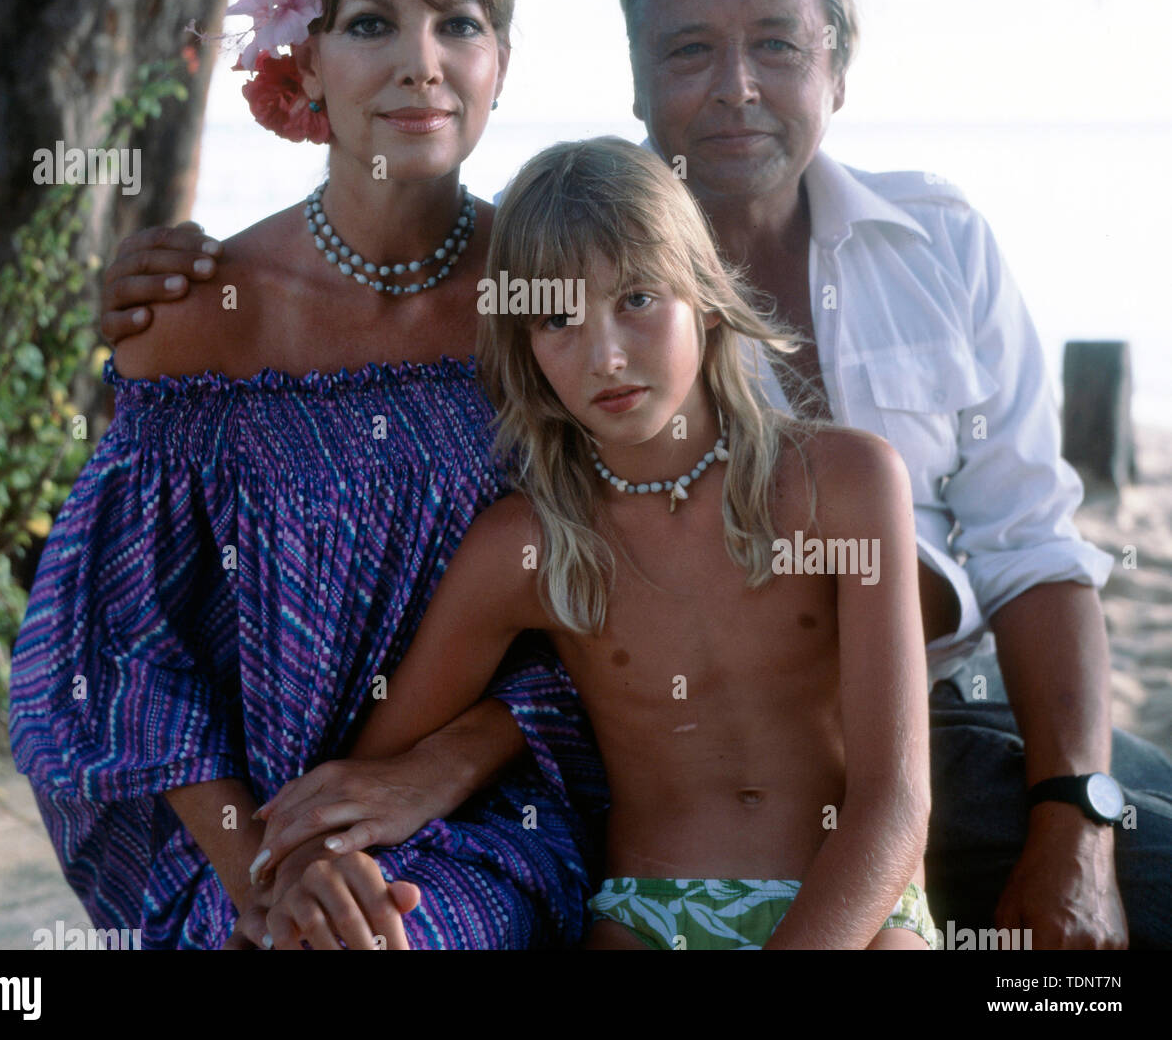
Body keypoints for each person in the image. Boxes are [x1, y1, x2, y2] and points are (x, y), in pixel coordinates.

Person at [105, 0, 1172, 950]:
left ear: (837, 66)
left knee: (1142, 888)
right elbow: (361, 317)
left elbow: (1032, 549)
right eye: (690, 49)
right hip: (654, 806)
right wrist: (188, 278)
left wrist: (1073, 815)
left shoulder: (930, 264)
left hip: (958, 722)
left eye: (777, 44)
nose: (737, 88)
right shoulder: (523, 289)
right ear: (636, 82)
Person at [9, 0, 607, 950]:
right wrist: (270, 877)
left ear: (498, 68)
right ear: (306, 64)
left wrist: (437, 768)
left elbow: (632, 584)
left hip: (493, 804)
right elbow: (123, 651)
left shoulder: (558, 308)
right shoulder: (198, 317)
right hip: (241, 826)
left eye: (458, 25)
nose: (421, 60)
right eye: (372, 24)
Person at [327, 136, 938, 950]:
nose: (605, 355)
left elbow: (895, 800)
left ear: (707, 296)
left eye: (638, 299)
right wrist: (412, 787)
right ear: (526, 347)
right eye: (558, 319)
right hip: (651, 914)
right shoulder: (527, 546)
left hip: (858, 906)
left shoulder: (846, 484)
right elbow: (379, 754)